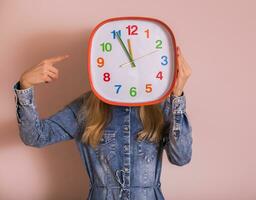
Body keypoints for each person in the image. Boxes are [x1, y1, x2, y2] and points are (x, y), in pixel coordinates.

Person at [12, 46, 193, 200]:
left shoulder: (160, 106)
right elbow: (35, 136)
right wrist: (25, 85)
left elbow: (181, 157)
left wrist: (176, 97)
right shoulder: (87, 106)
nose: (129, 67)